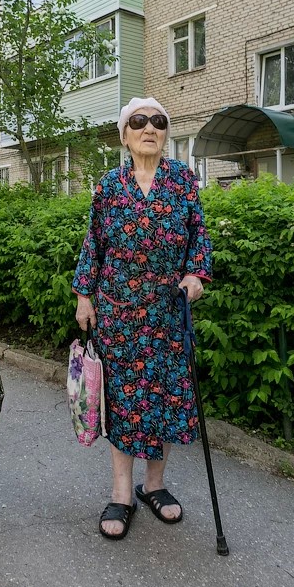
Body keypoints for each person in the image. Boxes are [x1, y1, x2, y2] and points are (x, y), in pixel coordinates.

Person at [71, 97, 212, 540]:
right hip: (119, 311)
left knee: (166, 398)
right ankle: (121, 493)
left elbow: (198, 236)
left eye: (157, 121)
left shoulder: (183, 181)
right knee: (125, 402)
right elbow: (94, 243)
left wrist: (195, 273)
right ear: (125, 134)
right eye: (138, 121)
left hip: (168, 311)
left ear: (165, 132)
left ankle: (155, 485)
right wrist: (84, 296)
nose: (149, 128)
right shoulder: (109, 185)